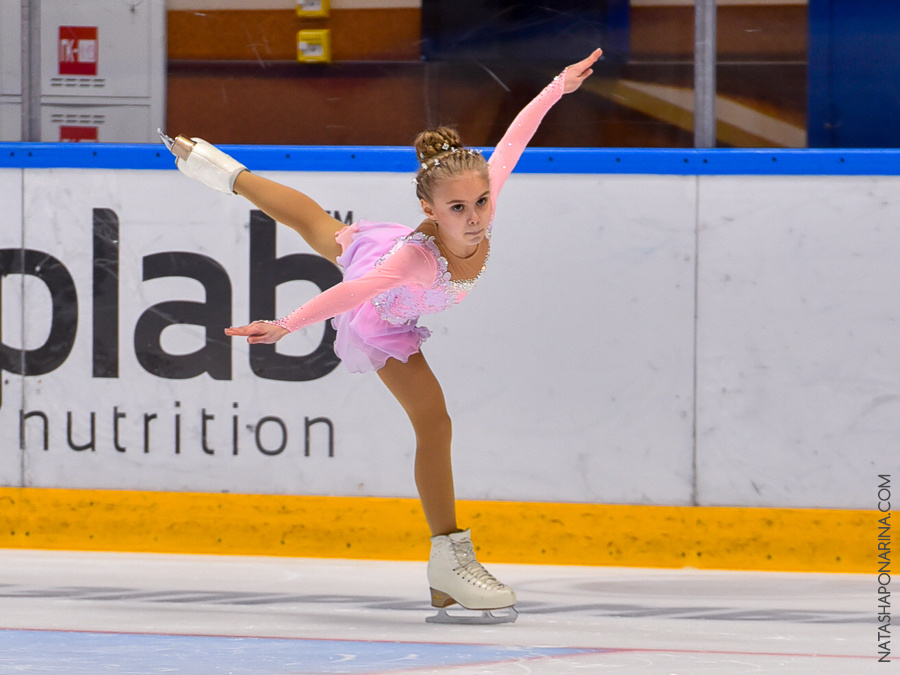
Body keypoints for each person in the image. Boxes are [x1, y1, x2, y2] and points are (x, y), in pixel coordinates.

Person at [165, 48, 602, 624]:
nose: (474, 216)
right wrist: (286, 324)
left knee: (320, 224)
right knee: (435, 422)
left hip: (383, 257)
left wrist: (555, 86)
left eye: (481, 201)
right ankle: (450, 557)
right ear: (429, 208)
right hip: (385, 317)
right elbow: (351, 295)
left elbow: (516, 140)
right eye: (457, 207)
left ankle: (224, 171)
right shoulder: (414, 261)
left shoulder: (479, 200)